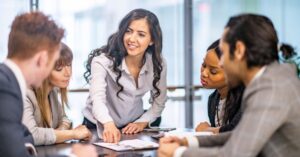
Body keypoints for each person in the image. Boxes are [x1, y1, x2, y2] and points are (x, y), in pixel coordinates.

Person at [158, 14, 300, 157]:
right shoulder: (272, 80)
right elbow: (239, 136)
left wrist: (179, 153)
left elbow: (236, 153)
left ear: (239, 50)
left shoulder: (271, 88)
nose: (221, 63)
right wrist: (189, 142)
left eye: (224, 53)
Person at [0, 11, 97, 157]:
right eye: (54, 63)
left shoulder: (9, 83)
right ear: (42, 59)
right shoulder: (5, 89)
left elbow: (24, 142)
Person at [82, 8, 167, 143]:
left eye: (141, 34)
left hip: (131, 125)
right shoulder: (102, 61)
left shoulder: (158, 63)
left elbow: (159, 101)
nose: (132, 39)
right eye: (128, 31)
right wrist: (108, 123)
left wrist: (142, 122)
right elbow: (97, 99)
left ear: (152, 40)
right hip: (98, 124)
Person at [22, 42, 92, 146]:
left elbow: (65, 118)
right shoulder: (25, 94)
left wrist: (61, 132)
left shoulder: (52, 91)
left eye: (69, 65)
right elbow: (31, 135)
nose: (68, 73)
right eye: (59, 68)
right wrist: (72, 134)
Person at [196, 40, 244, 134]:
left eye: (213, 71)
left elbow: (237, 131)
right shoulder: (213, 99)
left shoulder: (245, 97)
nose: (204, 73)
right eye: (203, 65)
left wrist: (207, 130)